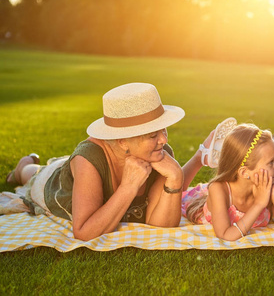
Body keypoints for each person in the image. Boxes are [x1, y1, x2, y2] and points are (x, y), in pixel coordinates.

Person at [3, 83, 203, 241]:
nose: (164, 140)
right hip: (52, 182)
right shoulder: (88, 159)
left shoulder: (160, 154)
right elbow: (83, 232)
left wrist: (176, 178)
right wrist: (128, 187)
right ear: (122, 140)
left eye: (163, 130)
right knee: (34, 174)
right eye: (153, 135)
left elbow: (160, 225)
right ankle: (22, 167)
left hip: (80, 171)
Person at [182, 122, 274, 241]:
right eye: (271, 162)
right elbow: (225, 235)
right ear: (244, 172)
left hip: (248, 177)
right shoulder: (218, 189)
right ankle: (204, 154)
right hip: (207, 200)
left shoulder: (272, 186)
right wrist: (259, 204)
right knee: (178, 193)